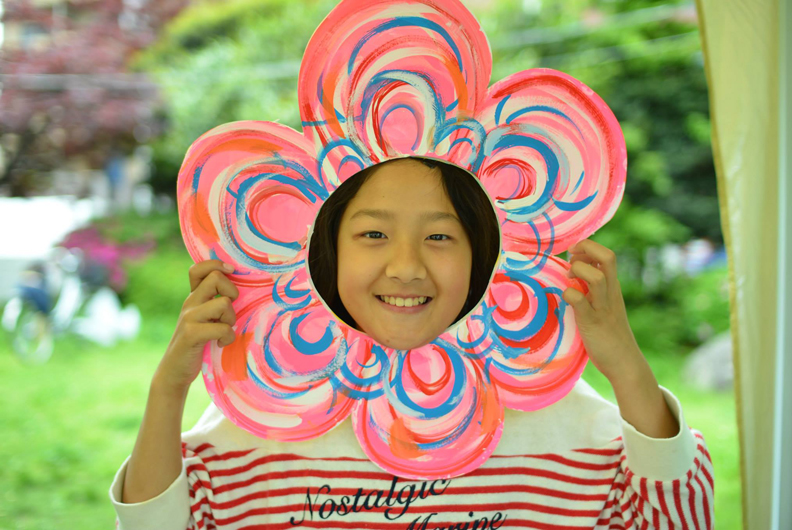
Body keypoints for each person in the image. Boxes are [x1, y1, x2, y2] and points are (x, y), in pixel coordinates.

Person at [109, 158, 714, 529]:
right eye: (373, 234)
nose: (405, 267)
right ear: (326, 250)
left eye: (440, 237)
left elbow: (679, 516)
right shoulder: (267, 419)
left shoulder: (568, 428)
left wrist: (623, 362)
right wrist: (170, 387)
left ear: (484, 254)